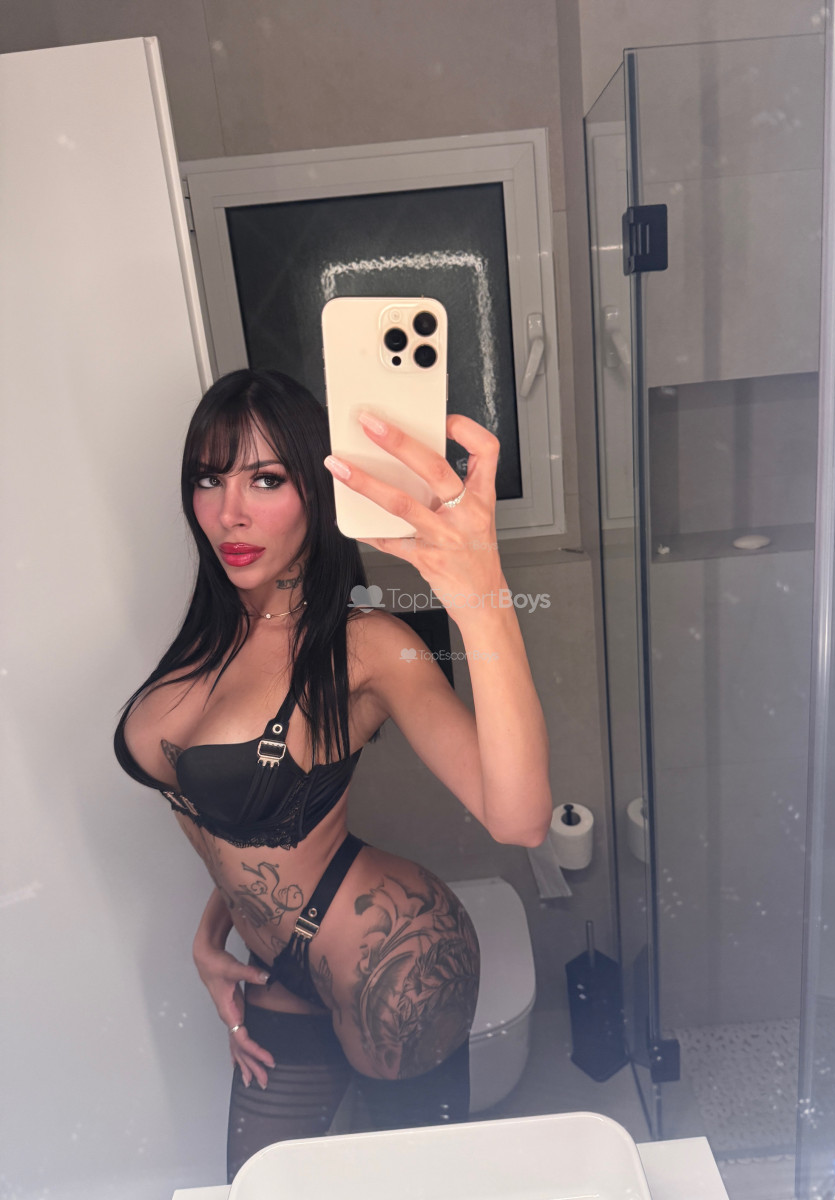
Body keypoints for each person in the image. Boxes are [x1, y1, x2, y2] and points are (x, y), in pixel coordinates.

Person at [114, 368, 551, 1179]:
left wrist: (480, 590)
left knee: (411, 1186)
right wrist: (209, 939)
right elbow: (224, 825)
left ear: (318, 492)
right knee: (260, 1185)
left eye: (266, 480)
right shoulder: (203, 640)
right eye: (209, 479)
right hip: (274, 971)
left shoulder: (365, 646)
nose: (229, 511)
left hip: (395, 959)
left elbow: (519, 818)